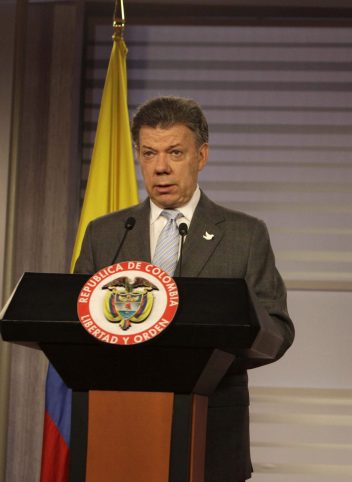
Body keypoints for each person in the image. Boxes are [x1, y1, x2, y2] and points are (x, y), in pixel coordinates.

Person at [75, 96, 294, 482]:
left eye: (175, 152)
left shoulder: (244, 235)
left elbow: (276, 329)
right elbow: (75, 321)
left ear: (201, 155)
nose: (160, 167)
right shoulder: (106, 233)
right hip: (120, 424)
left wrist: (211, 357)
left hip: (212, 425)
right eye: (149, 153)